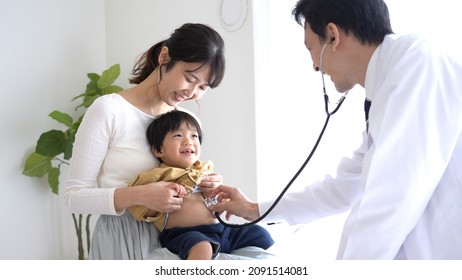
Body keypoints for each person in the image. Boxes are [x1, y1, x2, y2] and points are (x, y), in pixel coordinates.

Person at [208, 0, 462, 260]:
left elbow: (390, 200)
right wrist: (255, 209)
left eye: (311, 48)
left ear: (332, 35)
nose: (315, 66)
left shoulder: (416, 62)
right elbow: (342, 188)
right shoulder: (388, 89)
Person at [64, 23, 228, 260]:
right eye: (189, 78)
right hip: (122, 239)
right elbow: (74, 197)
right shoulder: (109, 110)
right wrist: (139, 195)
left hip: (178, 239)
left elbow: (185, 180)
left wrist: (207, 187)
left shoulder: (187, 122)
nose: (192, 92)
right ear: (164, 56)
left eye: (203, 86)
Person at [127, 110, 274, 260]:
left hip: (221, 231)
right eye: (178, 135)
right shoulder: (159, 175)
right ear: (158, 150)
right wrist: (165, 193)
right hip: (185, 234)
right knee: (202, 248)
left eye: (194, 136)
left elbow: (215, 201)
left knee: (260, 234)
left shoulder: (204, 171)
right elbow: (139, 206)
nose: (188, 141)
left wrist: (219, 197)